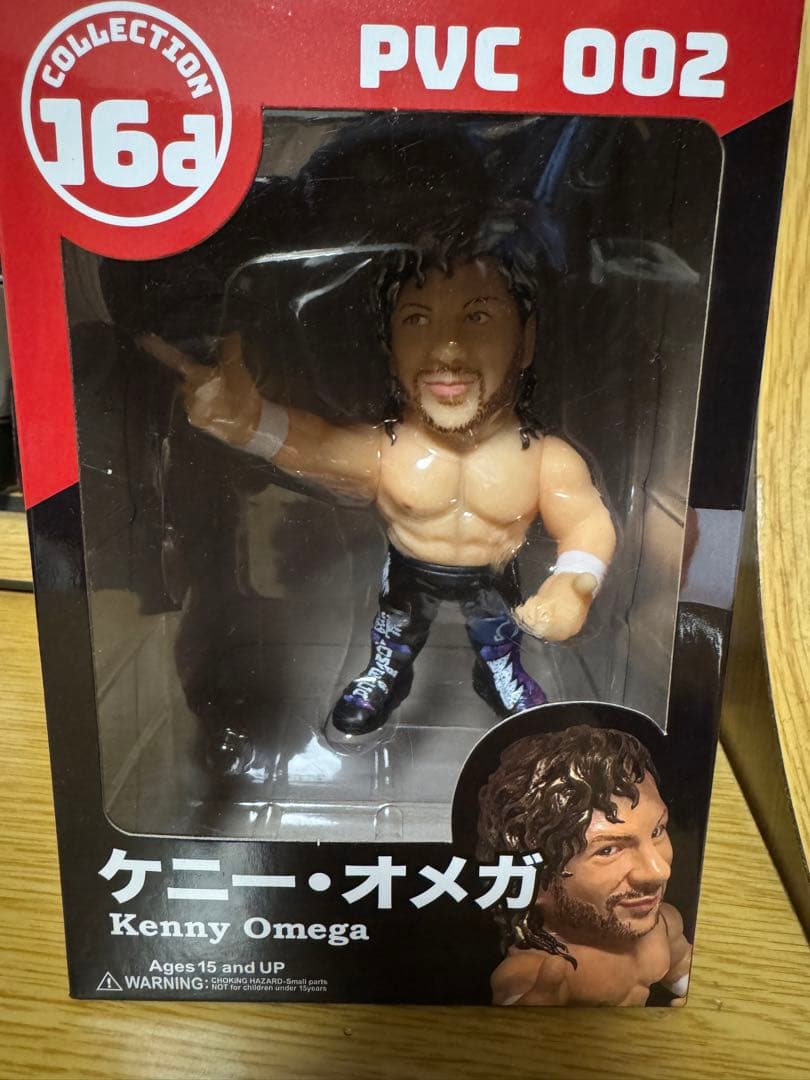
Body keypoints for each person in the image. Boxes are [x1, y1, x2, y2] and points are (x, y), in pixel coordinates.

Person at [141, 219, 615, 752]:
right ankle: (386, 673)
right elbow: (315, 445)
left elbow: (586, 521)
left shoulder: (546, 459)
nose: (447, 348)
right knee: (395, 631)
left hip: (495, 572)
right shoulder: (387, 452)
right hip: (411, 570)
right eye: (417, 319)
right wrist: (251, 422)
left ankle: (500, 671)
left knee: (498, 632)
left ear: (525, 340)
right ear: (390, 345)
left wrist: (573, 583)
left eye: (478, 317)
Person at [477, 724, 692, 1006]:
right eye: (608, 850)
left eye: (657, 831)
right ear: (534, 879)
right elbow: (516, 995)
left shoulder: (664, 926)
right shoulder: (536, 971)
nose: (659, 871)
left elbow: (684, 968)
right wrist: (527, 1022)